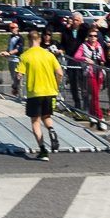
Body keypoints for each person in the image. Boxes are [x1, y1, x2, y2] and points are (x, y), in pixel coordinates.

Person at [17, 30, 65, 160]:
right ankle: (51, 130)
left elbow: (19, 75)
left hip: (35, 93)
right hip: (50, 92)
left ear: (29, 41)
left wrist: (15, 87)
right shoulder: (49, 55)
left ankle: (43, 150)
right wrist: (57, 86)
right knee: (47, 116)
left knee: (35, 121)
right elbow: (60, 73)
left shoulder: (25, 56)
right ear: (39, 40)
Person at [75, 29, 108, 130]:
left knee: (94, 96)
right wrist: (86, 59)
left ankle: (92, 114)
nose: (93, 38)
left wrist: (102, 62)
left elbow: (103, 59)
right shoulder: (83, 46)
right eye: (91, 36)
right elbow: (76, 57)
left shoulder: (99, 47)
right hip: (90, 73)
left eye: (95, 36)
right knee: (95, 96)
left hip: (99, 73)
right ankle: (100, 118)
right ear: (87, 36)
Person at [59, 13, 89, 113]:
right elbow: (63, 44)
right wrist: (61, 50)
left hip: (80, 60)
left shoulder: (83, 30)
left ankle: (86, 105)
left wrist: (82, 24)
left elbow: (88, 27)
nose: (74, 22)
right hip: (71, 59)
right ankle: (77, 103)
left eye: (77, 20)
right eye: (73, 20)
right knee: (73, 83)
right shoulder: (67, 31)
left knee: (83, 83)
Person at [0, 22, 24, 96]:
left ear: (17, 28)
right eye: (10, 28)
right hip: (11, 59)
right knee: (13, 77)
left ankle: (21, 93)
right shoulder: (11, 37)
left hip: (16, 59)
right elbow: (10, 47)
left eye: (13, 28)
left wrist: (9, 53)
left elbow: (18, 49)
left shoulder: (20, 38)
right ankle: (16, 92)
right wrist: (5, 52)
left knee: (18, 77)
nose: (11, 29)